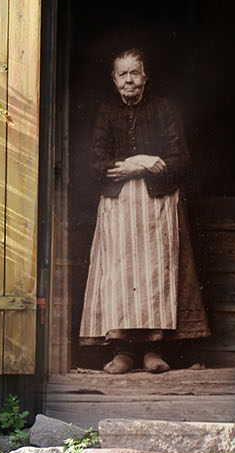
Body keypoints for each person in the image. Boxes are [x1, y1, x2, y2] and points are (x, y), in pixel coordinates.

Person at [79, 48, 209, 373]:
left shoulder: (163, 108)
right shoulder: (107, 113)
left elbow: (181, 160)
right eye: (122, 74)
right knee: (119, 277)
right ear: (114, 79)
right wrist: (138, 163)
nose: (129, 80)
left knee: (156, 276)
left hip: (158, 206)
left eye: (134, 73)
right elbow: (95, 164)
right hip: (118, 207)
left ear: (144, 76)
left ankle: (153, 350)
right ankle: (122, 352)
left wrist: (149, 168)